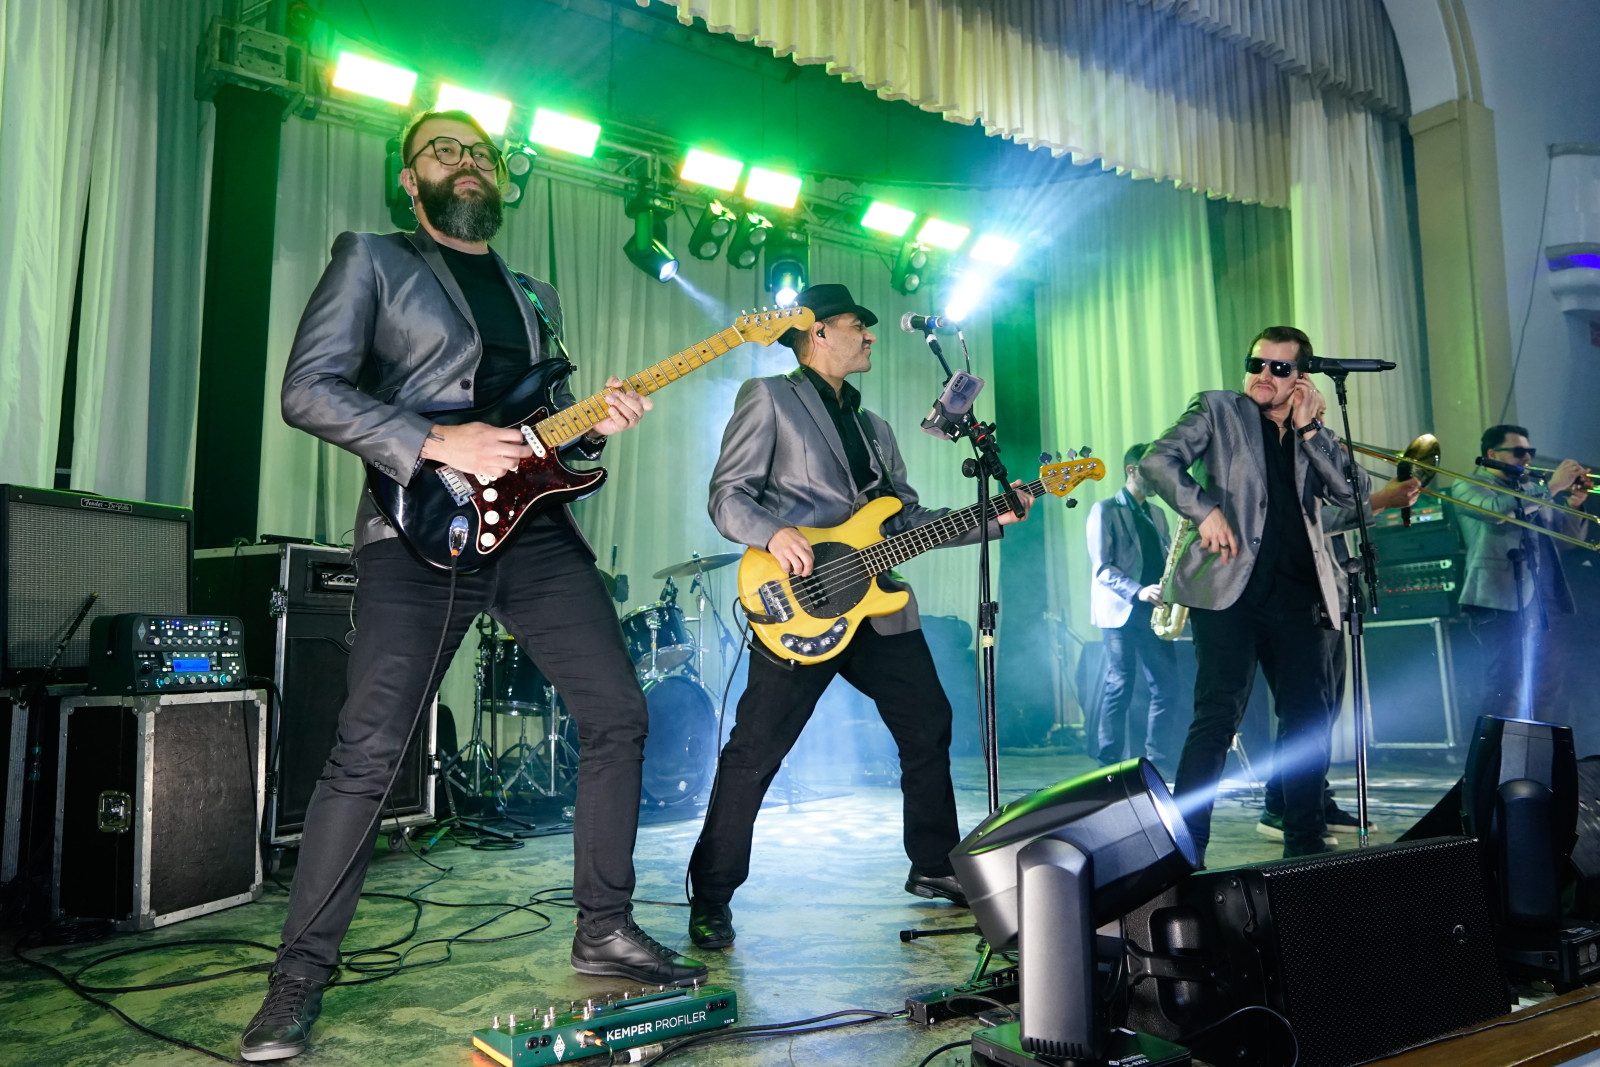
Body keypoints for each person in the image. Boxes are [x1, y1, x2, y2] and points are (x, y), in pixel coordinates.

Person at [243, 110, 703, 1062]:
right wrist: (433, 440)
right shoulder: (374, 258)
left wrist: (592, 424)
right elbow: (307, 390)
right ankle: (297, 978)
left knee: (617, 714)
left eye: (482, 153)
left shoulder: (535, 294)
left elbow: (537, 431)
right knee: (369, 751)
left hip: (534, 536)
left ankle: (604, 928)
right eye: (445, 150)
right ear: (409, 178)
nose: (468, 162)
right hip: (418, 527)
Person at [685, 284, 1034, 949]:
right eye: (857, 326)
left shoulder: (875, 428)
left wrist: (994, 515)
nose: (870, 336)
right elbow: (727, 496)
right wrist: (772, 533)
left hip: (877, 606)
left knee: (928, 722)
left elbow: (905, 521)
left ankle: (933, 863)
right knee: (756, 750)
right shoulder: (769, 398)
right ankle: (712, 894)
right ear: (817, 332)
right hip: (800, 601)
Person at [1141, 326, 1368, 863]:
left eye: (1279, 368)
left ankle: (1304, 849)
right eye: (1256, 364)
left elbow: (1353, 496)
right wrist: (1204, 510)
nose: (1264, 375)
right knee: (1216, 718)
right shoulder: (1218, 409)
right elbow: (1157, 460)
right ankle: (1187, 847)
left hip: (1300, 598)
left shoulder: (1315, 433)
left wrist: (1311, 430)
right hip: (1229, 596)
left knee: (1308, 724)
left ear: (1300, 380)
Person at [1257, 473, 1421, 845]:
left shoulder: (1321, 464)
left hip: (1332, 599)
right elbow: (1307, 522)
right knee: (1306, 712)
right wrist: (1381, 500)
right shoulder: (1281, 464)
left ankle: (1313, 796)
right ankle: (1280, 804)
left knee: (1325, 711)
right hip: (1298, 600)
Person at [1454, 424, 1593, 719]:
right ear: (1492, 454)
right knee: (1506, 686)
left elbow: (1567, 539)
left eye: (1530, 451)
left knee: (1548, 687)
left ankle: (1537, 749)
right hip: (1500, 599)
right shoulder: (1467, 484)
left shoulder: (1533, 490)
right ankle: (1495, 751)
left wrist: (1574, 503)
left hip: (1546, 601)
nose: (1527, 458)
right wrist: (1552, 488)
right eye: (1519, 452)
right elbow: (1497, 511)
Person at [1085, 443, 1181, 771]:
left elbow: (1167, 560)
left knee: (1167, 687)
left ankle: (1158, 762)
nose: (1159, 479)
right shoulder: (1104, 510)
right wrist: (1139, 591)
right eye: (1153, 471)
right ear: (1132, 470)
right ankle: (1107, 764)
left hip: (1154, 611)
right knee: (1120, 685)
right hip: (1120, 612)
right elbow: (1102, 568)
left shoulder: (1158, 514)